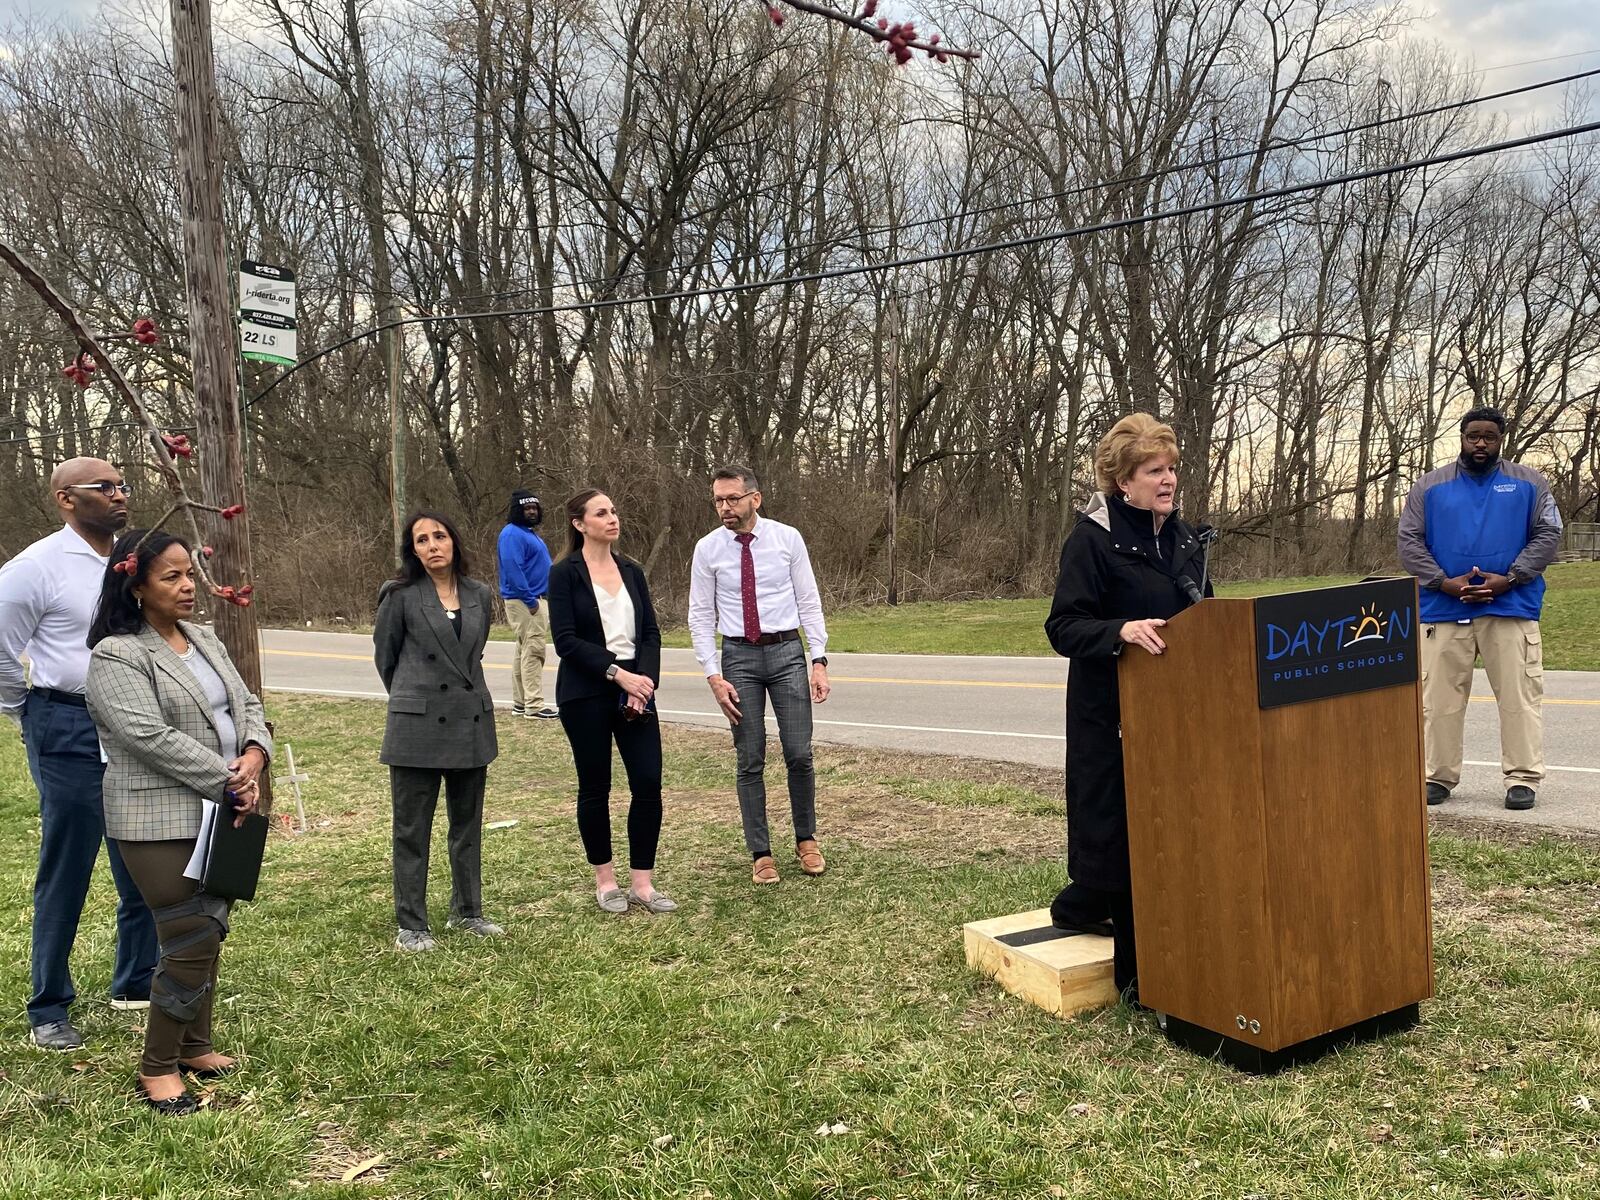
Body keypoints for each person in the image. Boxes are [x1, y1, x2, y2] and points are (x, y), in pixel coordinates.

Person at [84, 529, 271, 1115]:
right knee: (188, 937)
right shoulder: (118, 653)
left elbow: (249, 705)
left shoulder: (206, 638)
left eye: (189, 573)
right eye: (171, 576)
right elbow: (146, 736)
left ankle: (194, 1045)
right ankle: (157, 1067)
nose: (188, 586)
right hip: (154, 817)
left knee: (211, 929)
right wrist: (228, 775)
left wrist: (255, 756)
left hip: (223, 809)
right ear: (135, 586)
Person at [1043, 414, 1212, 1002]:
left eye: (1171, 469)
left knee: (1169, 826)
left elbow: (1204, 616)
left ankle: (1082, 904)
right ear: (1123, 481)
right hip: (1109, 714)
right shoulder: (1091, 539)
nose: (1167, 480)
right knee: (1122, 831)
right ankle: (1141, 978)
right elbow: (1063, 626)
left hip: (1175, 713)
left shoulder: (1186, 538)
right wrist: (1122, 629)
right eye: (1153, 471)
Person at [0, 458, 156, 1052]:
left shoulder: (131, 561)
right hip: (63, 722)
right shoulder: (34, 568)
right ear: (66, 499)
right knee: (68, 864)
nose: (120, 495)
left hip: (131, 721)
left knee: (141, 853)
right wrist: (31, 710)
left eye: (123, 486)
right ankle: (49, 1006)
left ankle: (136, 980)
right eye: (105, 487)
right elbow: (2, 650)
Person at [1398, 406, 1563, 811]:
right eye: (1474, 436)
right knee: (1438, 701)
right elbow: (1409, 540)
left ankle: (1522, 778)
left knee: (1519, 698)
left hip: (1510, 606)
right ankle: (1437, 776)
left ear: (1500, 439)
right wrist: (1443, 582)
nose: (1481, 444)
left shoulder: (1529, 483)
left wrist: (1511, 577)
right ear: (1462, 436)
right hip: (1441, 608)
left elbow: (1548, 533)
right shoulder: (1429, 486)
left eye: (1489, 436)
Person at [688, 466, 831, 886]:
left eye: (732, 498)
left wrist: (818, 659)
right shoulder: (708, 549)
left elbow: (809, 599)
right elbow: (700, 615)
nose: (724, 508)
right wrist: (713, 675)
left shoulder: (787, 539)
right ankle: (761, 851)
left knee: (799, 753)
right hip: (738, 659)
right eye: (718, 500)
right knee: (749, 757)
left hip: (787, 652)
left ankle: (806, 839)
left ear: (755, 498)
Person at [373, 511, 503, 951]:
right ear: (413, 550)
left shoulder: (479, 594)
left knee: (467, 826)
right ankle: (411, 923)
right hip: (416, 728)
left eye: (439, 536)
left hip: (469, 723)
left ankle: (468, 911)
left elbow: (474, 653)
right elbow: (385, 661)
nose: (432, 545)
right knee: (412, 830)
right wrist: (416, 698)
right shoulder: (400, 595)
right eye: (421, 540)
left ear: (454, 542)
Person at [547, 490, 674, 914]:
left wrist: (645, 683)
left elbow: (652, 633)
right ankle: (606, 881)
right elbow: (565, 641)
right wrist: (617, 674)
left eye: (614, 511)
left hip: (637, 688)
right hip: (586, 691)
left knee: (648, 783)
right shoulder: (564, 573)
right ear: (579, 524)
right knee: (595, 786)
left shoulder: (632, 571)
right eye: (601, 513)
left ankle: (643, 883)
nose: (612, 518)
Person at [497, 488, 557, 720]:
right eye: (526, 508)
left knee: (524, 650)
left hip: (534, 599)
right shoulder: (512, 534)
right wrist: (530, 600)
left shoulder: (528, 533)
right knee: (534, 650)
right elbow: (513, 569)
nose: (531, 511)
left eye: (534, 508)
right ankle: (534, 705)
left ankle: (521, 703)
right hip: (525, 601)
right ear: (517, 510)